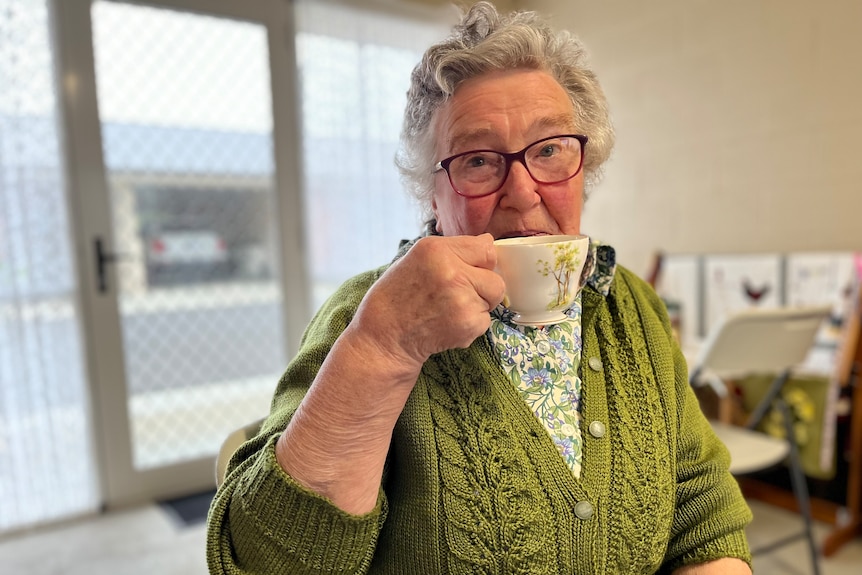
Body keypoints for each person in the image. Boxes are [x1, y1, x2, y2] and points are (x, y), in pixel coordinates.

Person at [206, 2, 753, 573]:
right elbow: (267, 561)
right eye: (477, 161)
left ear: (585, 170)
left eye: (549, 150)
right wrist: (383, 345)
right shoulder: (364, 315)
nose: (522, 191)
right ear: (432, 198)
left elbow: (701, 505)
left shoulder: (632, 305)